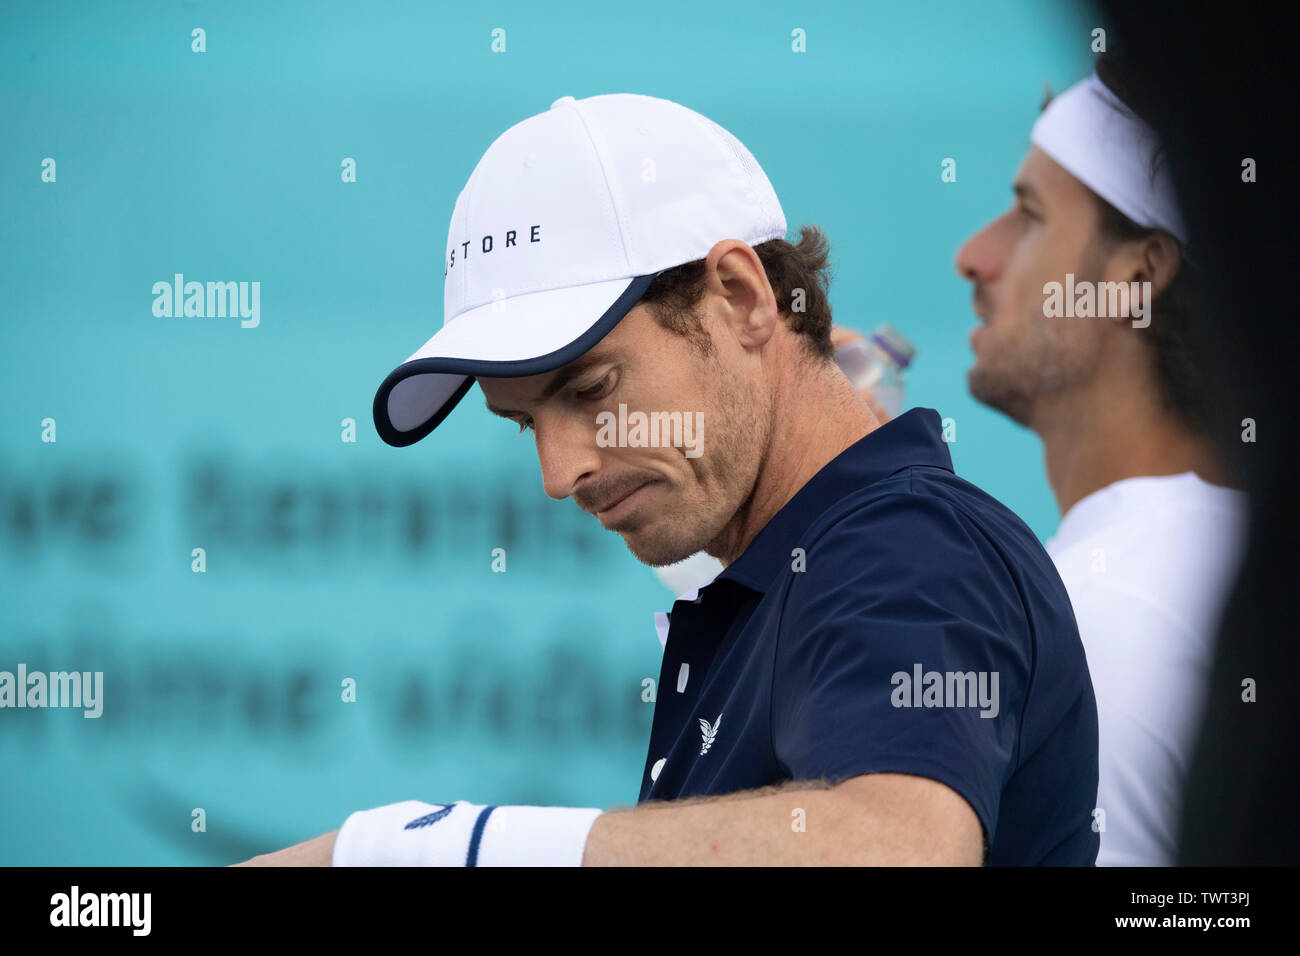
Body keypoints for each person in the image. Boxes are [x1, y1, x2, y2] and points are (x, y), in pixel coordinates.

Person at [237, 92, 1097, 866]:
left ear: (742, 296)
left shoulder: (902, 543)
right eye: (527, 422)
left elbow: (897, 850)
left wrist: (419, 852)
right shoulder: (815, 561)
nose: (558, 471)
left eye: (590, 389)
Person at [953, 52, 1249, 865]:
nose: (975, 256)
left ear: (1135, 273)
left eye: (1030, 215)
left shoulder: (1086, 619)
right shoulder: (1208, 568)